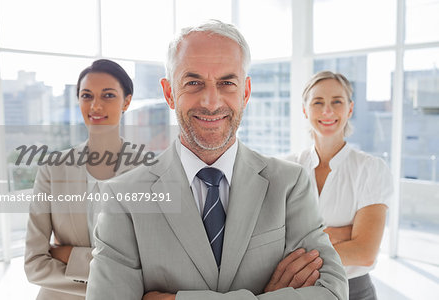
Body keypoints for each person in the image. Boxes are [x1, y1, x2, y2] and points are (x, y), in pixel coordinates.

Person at [86, 20, 347, 300]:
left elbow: (331, 293)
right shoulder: (123, 197)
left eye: (226, 83)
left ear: (245, 92)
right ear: (169, 93)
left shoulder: (289, 184)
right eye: (194, 83)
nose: (211, 102)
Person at [24, 59, 136, 299]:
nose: (95, 105)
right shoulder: (52, 169)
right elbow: (34, 264)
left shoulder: (149, 172)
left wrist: (70, 255)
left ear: (126, 101)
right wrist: (113, 283)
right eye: (87, 96)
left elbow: (151, 263)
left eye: (108, 95)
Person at [286, 71, 393, 300]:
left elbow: (365, 253)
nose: (327, 111)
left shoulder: (370, 169)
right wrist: (341, 235)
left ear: (350, 109)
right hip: (299, 291)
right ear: (305, 110)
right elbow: (271, 243)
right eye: (318, 102)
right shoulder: (287, 168)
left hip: (353, 291)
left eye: (337, 101)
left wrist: (303, 245)